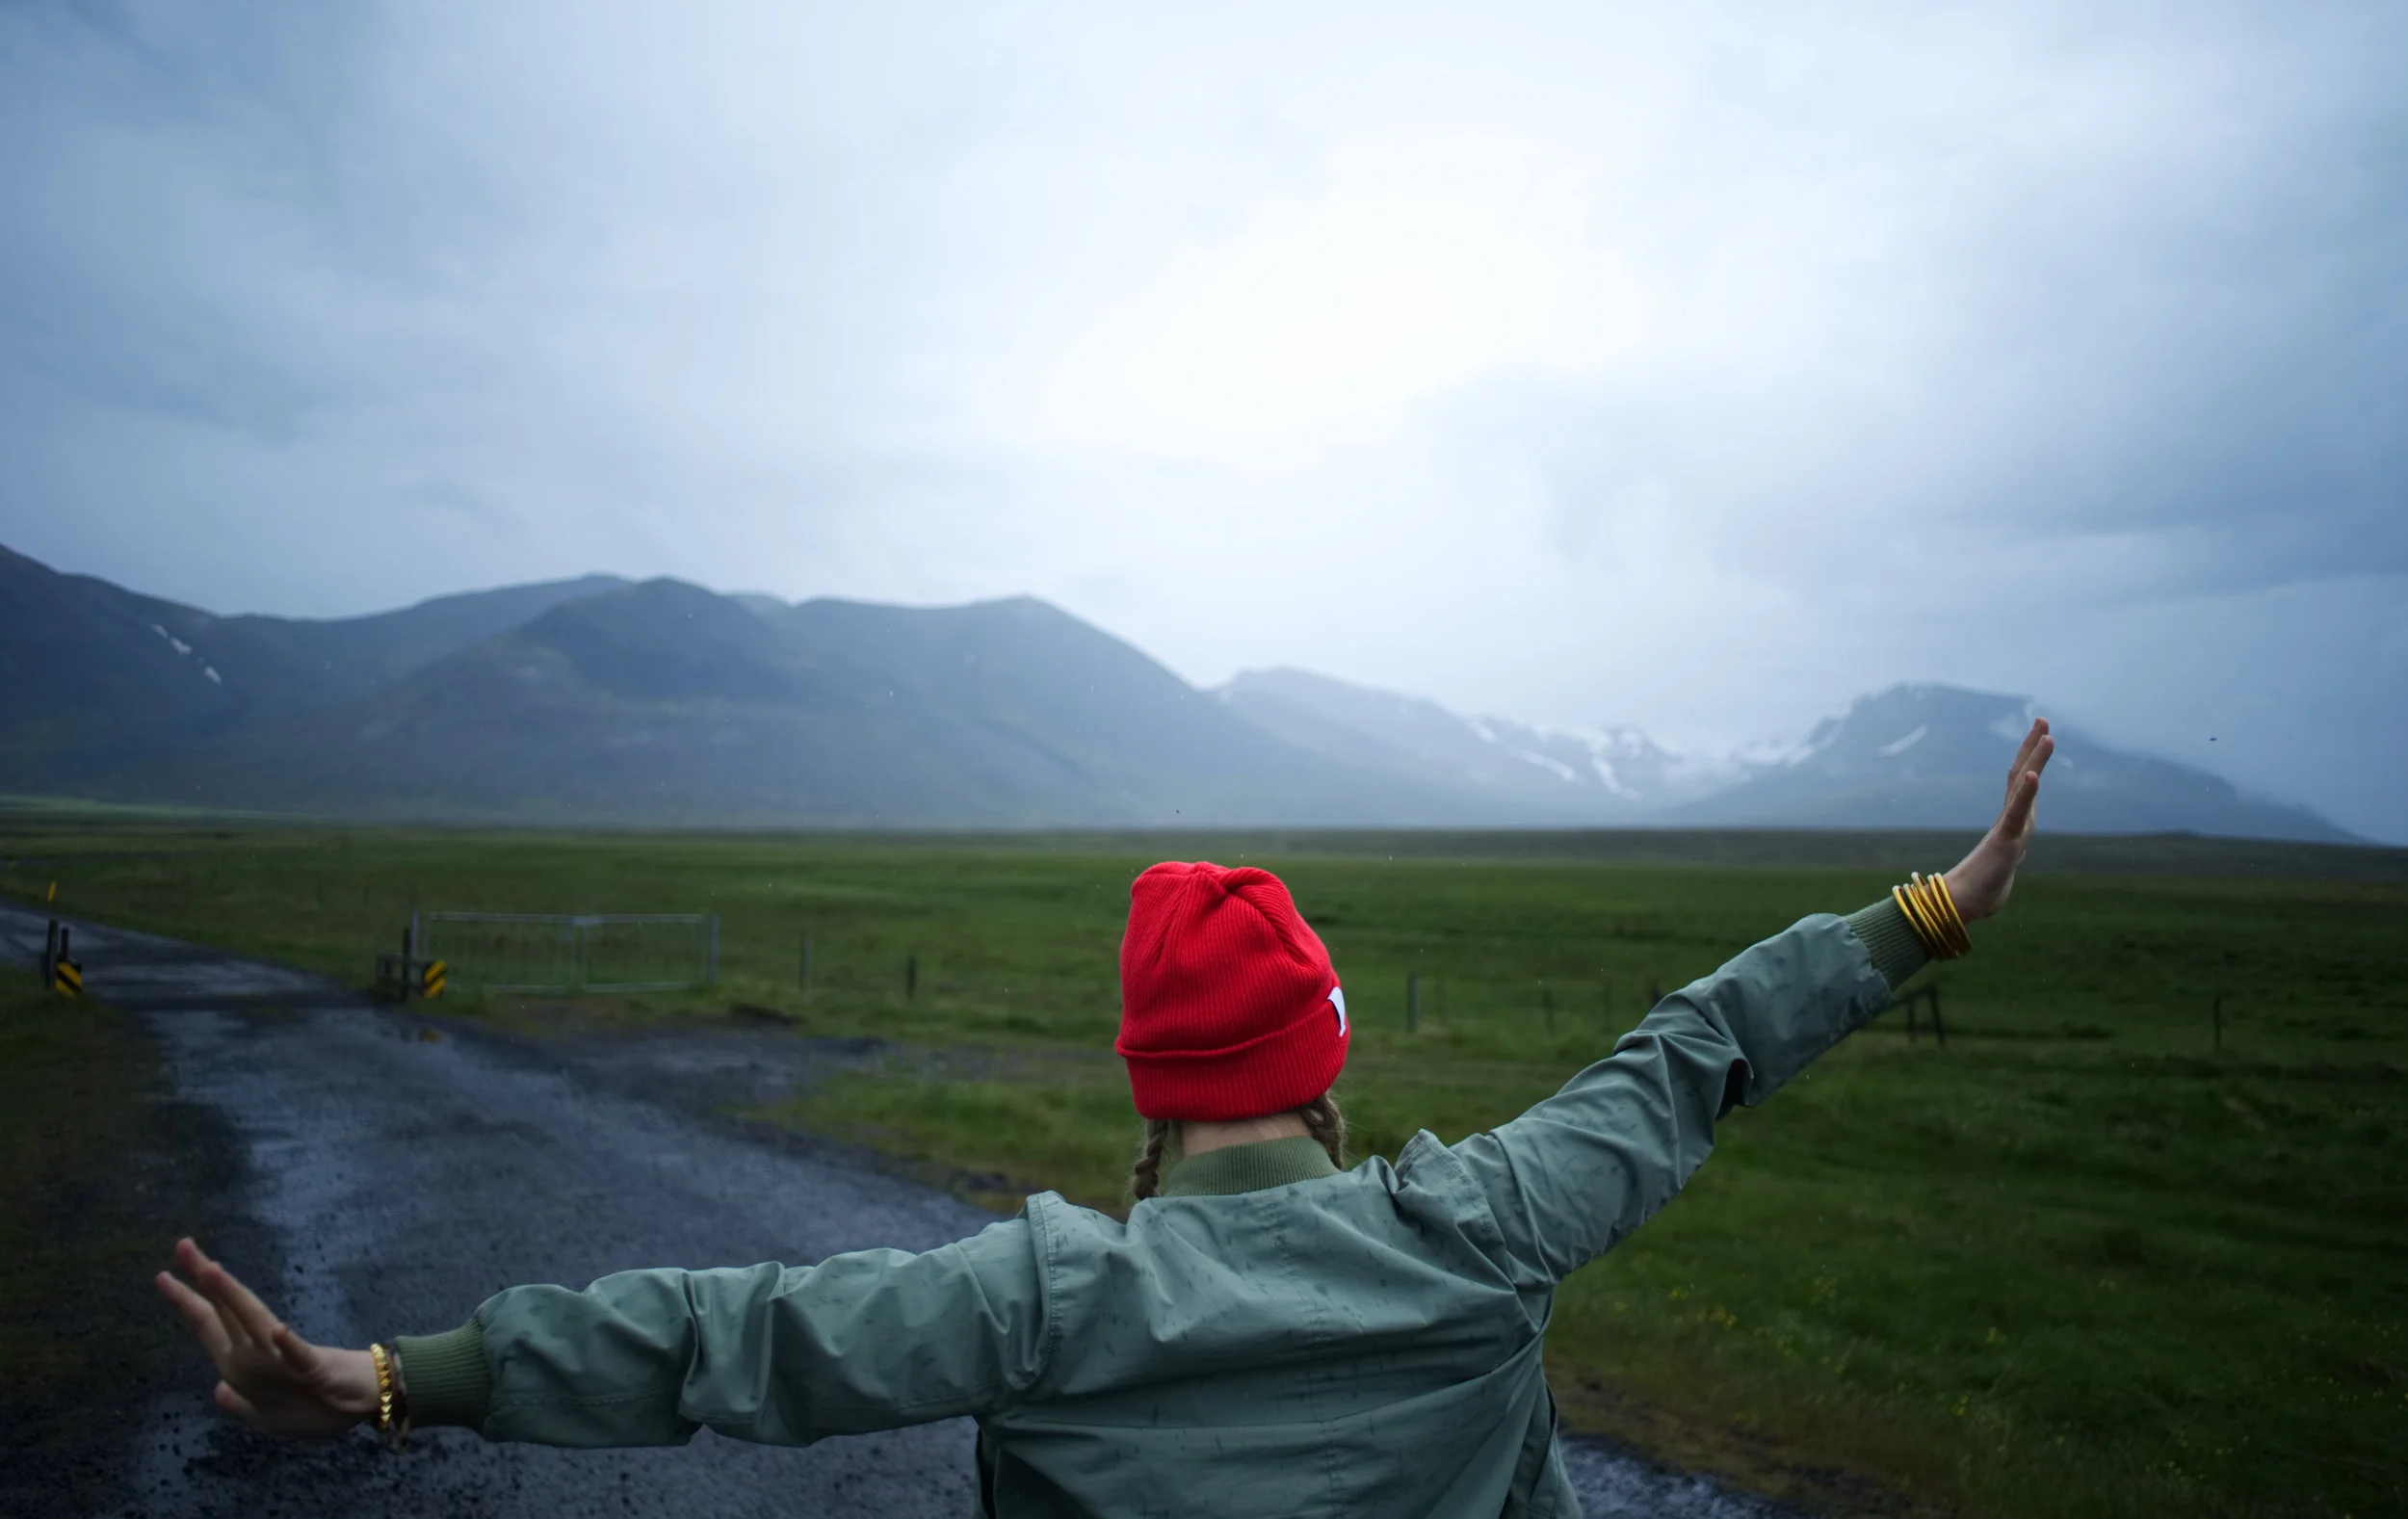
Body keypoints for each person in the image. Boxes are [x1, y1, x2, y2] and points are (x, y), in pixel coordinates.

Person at [158, 722, 2055, 1517]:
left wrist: (384, 1380)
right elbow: (1693, 1050)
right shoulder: (1489, 1223)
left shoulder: (1040, 1298)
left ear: (1157, 1092)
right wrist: (1928, 911)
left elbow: (733, 1334)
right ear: (1321, 1066)